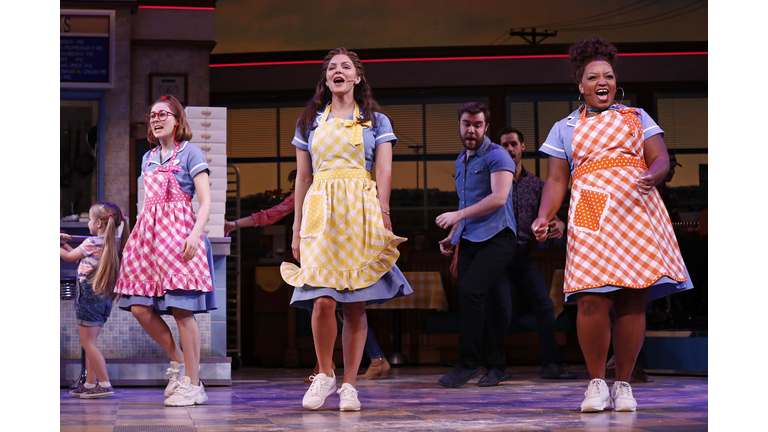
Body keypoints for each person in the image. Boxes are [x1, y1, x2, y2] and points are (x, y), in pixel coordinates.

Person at [531, 37, 693, 413]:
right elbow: (556, 181)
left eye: (608, 75)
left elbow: (661, 159)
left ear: (615, 83)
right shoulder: (565, 127)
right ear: (581, 86)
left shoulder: (637, 117)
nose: (601, 81)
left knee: (633, 298)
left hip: (637, 206)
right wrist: (545, 215)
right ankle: (596, 385)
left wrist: (653, 175)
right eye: (593, 77)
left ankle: (623, 384)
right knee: (590, 298)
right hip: (589, 206)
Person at [280, 47, 412, 411]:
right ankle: (325, 373)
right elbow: (303, 177)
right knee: (322, 300)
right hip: (321, 210)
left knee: (354, 305)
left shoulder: (377, 120)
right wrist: (296, 227)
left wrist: (383, 212)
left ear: (357, 77)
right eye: (332, 68)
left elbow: (383, 170)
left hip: (360, 211)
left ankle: (350, 384)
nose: (338, 72)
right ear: (326, 79)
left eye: (346, 67)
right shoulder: (310, 121)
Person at [224, 170, 390, 382]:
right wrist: (235, 224)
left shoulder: (335, 187)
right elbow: (271, 214)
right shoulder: (310, 191)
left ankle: (358, 362)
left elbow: (273, 213)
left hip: (342, 252)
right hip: (320, 253)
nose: (296, 188)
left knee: (348, 308)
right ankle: (330, 365)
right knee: (326, 307)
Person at [115, 95, 217, 407]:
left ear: (177, 119)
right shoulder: (148, 158)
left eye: (163, 114)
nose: (156, 119)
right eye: (152, 115)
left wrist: (194, 235)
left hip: (180, 235)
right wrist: (134, 237)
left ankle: (194, 382)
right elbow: (146, 204)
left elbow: (206, 200)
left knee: (182, 309)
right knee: (139, 307)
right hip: (149, 236)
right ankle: (180, 362)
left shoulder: (191, 153)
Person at [480, 126, 577, 383]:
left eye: (513, 144)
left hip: (522, 254)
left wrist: (559, 224)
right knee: (501, 309)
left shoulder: (536, 184)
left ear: (523, 147)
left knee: (545, 307)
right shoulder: (491, 181)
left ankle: (552, 364)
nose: (509, 149)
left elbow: (549, 215)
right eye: (504, 145)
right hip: (496, 254)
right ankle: (494, 367)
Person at [436, 102, 517, 388]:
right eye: (466, 124)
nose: (471, 129)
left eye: (478, 124)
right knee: (480, 302)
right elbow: (466, 205)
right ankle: (496, 366)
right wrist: (453, 236)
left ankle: (468, 364)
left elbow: (498, 198)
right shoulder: (462, 161)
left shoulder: (498, 156)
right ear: (459, 126)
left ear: (486, 127)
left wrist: (457, 216)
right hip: (471, 239)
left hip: (499, 238)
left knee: (471, 292)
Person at [60, 201, 130, 399]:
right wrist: (63, 242)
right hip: (102, 299)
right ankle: (90, 384)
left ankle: (104, 384)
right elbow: (75, 253)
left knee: (88, 343)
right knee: (90, 342)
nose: (89, 223)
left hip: (89, 297)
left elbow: (69, 257)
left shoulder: (92, 242)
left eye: (90, 219)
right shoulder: (114, 241)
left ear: (99, 223)